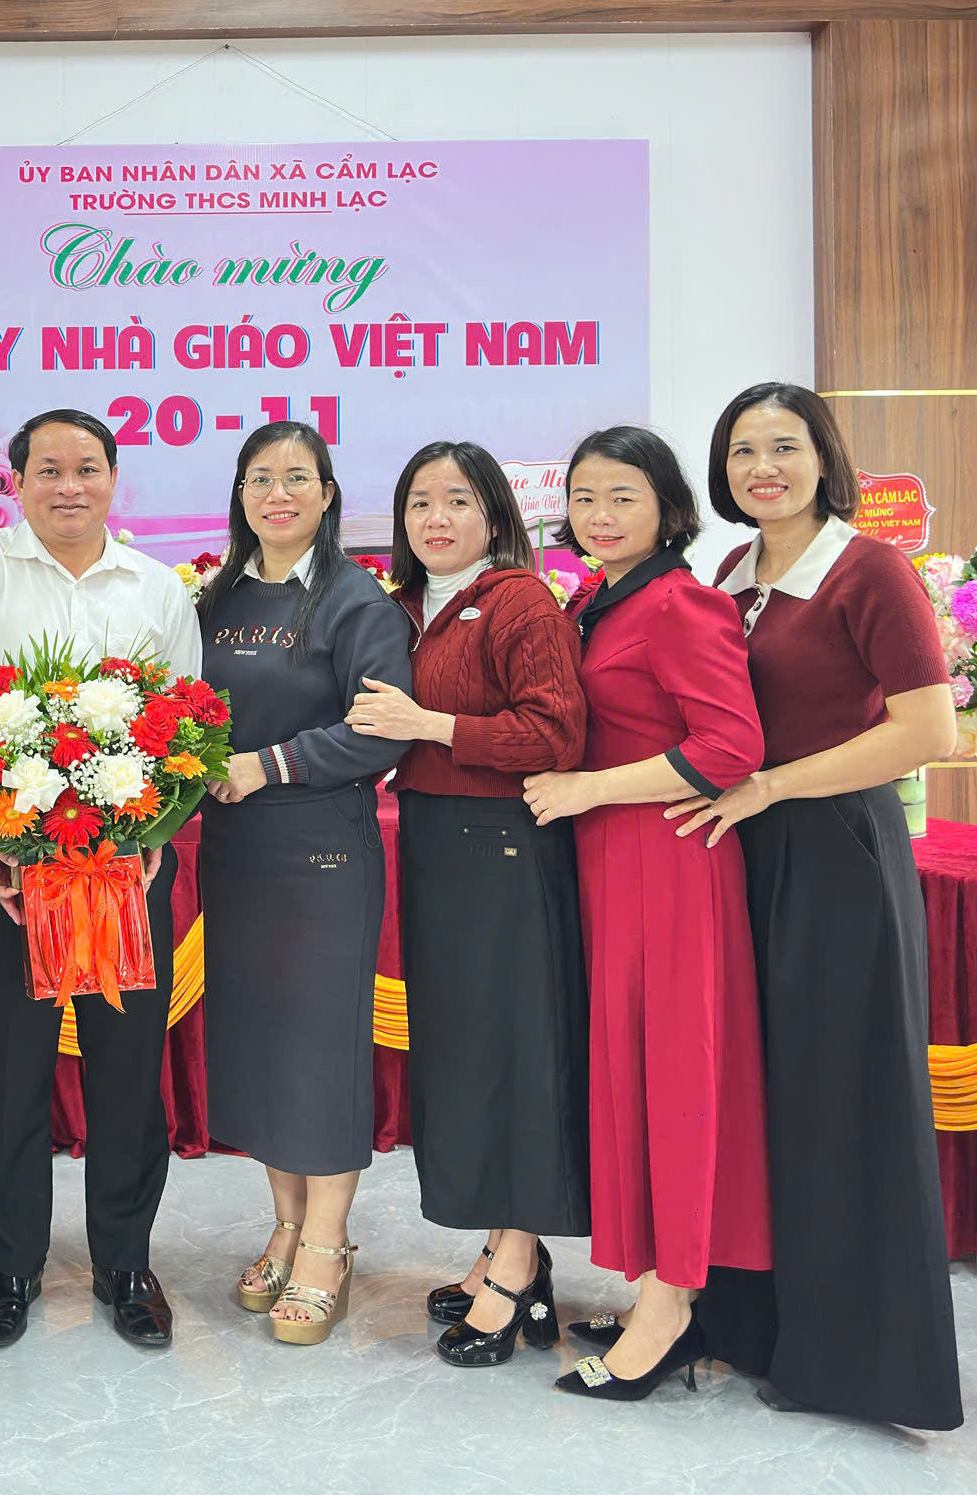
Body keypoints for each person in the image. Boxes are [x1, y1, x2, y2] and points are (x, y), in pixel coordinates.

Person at [680, 383, 963, 1429]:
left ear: (822, 457)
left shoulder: (868, 568)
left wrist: (771, 787)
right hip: (747, 849)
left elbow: (927, 730)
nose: (764, 468)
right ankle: (752, 1326)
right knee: (765, 1097)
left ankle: (854, 1363)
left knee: (841, 1101)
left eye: (784, 447)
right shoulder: (733, 570)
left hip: (835, 850)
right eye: (742, 451)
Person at [0, 408, 203, 1352]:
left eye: (86, 468)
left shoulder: (157, 586)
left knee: (128, 1070)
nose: (68, 486)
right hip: (8, 868)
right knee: (11, 1071)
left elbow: (187, 728)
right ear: (17, 482)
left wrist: (156, 834)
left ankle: (126, 1263)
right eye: (48, 469)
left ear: (113, 478)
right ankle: (12, 1265)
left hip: (127, 868)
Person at [522, 426, 769, 1402]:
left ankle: (671, 1308)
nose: (599, 515)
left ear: (668, 508)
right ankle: (656, 1290)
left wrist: (590, 789)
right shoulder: (596, 598)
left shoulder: (682, 603)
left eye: (621, 496)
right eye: (583, 497)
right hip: (609, 864)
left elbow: (730, 746)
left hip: (667, 864)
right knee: (630, 1073)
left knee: (673, 1081)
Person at [350, 440, 587, 1367]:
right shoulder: (405, 608)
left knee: (513, 1054)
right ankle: (499, 1245)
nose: (436, 518)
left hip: (504, 849)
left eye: (457, 500)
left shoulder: (520, 600)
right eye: (419, 502)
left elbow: (556, 733)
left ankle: (518, 1265)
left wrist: (430, 725)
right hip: (436, 847)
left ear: (495, 513)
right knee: (468, 1054)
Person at [196, 423, 412, 1347]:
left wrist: (265, 764)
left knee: (320, 1048)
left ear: (327, 494)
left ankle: (328, 1242)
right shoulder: (219, 597)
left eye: (296, 478)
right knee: (261, 1043)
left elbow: (380, 730)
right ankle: (285, 1224)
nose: (276, 494)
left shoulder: (357, 600)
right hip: (234, 850)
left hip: (321, 851)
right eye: (259, 478)